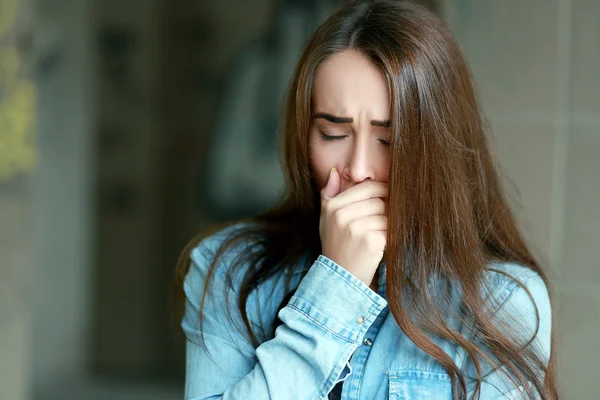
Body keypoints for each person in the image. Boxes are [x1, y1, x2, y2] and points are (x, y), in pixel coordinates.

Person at [173, 1, 558, 399]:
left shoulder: (502, 300)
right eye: (333, 134)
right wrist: (336, 286)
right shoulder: (230, 271)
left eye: (388, 140)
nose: (358, 169)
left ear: (438, 148)